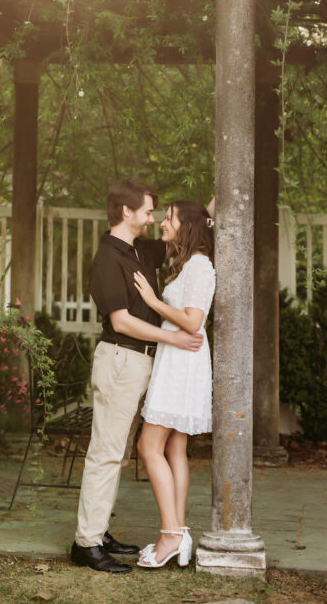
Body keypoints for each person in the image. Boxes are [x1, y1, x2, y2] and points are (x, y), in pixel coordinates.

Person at [70, 180, 204, 574]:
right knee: (106, 453)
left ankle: (99, 528)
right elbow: (122, 321)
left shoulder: (139, 249)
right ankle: (86, 543)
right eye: (147, 211)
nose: (152, 219)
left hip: (141, 363)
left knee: (120, 452)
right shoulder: (107, 258)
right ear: (125, 212)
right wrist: (173, 337)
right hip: (120, 360)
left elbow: (194, 227)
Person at [133, 200, 216, 570]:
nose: (162, 223)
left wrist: (151, 299)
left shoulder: (199, 265)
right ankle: (177, 533)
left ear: (187, 226)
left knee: (148, 445)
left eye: (169, 218)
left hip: (183, 361)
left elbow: (193, 321)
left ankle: (171, 534)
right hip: (178, 359)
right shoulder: (189, 263)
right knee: (174, 448)